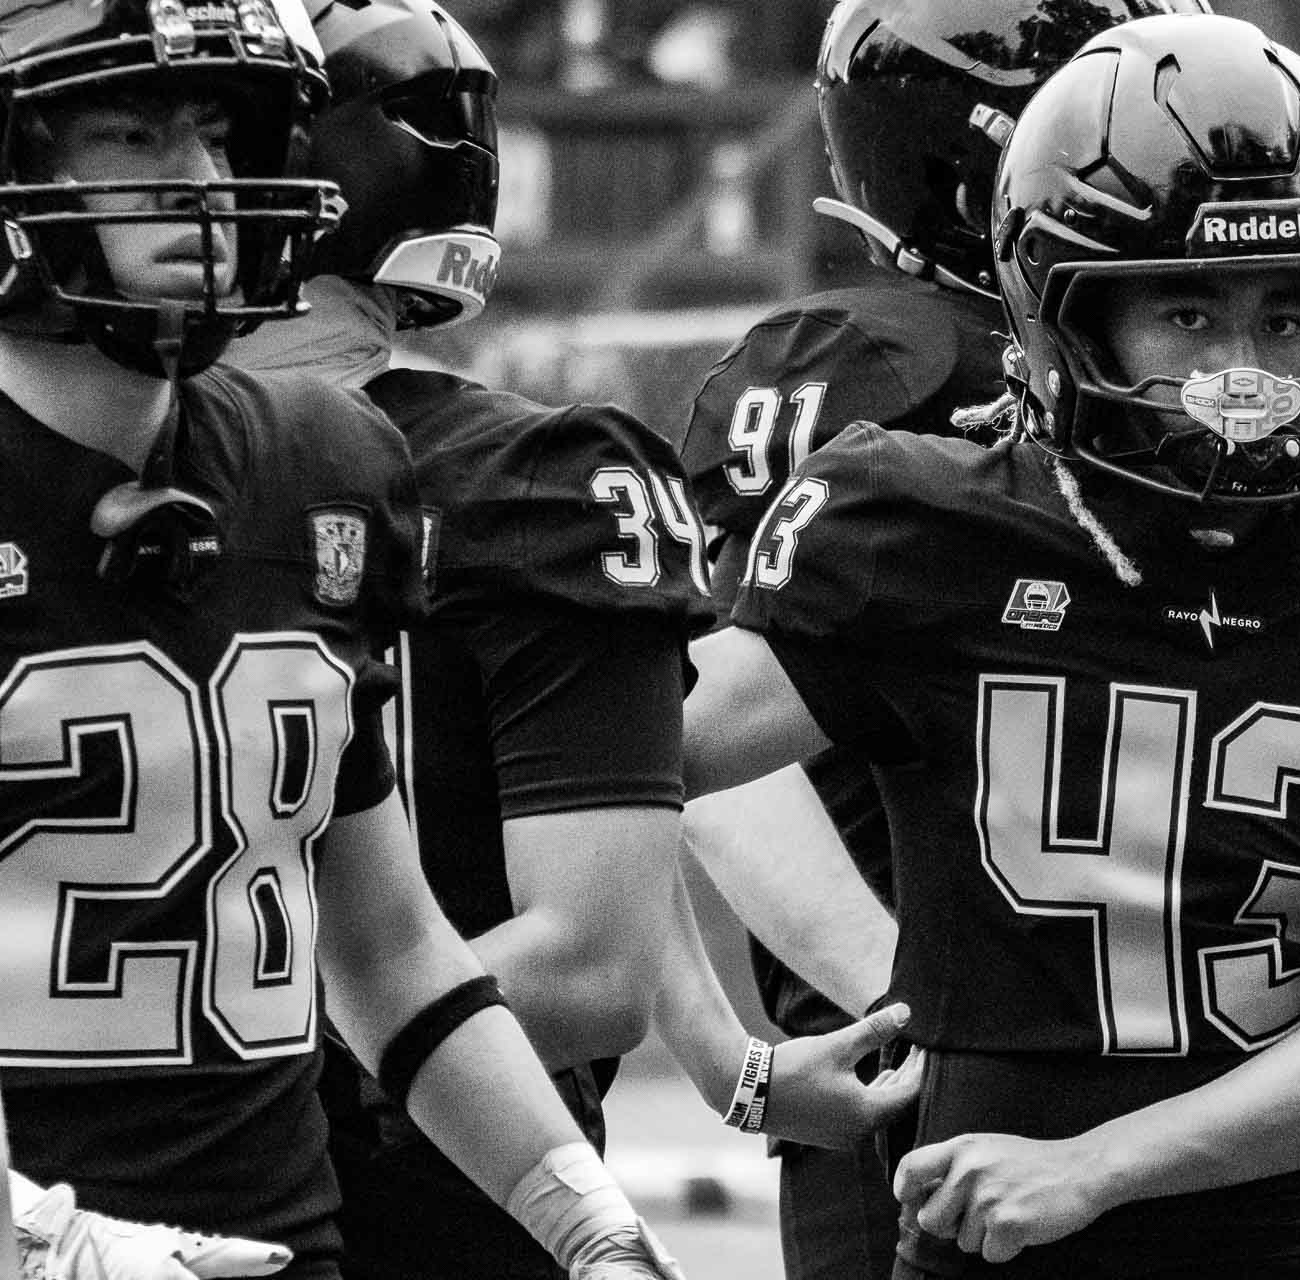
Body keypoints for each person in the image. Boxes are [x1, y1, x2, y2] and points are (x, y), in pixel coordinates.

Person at [680, 12, 1300, 1277]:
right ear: (1067, 319)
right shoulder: (921, 528)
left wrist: (1099, 1165)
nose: (1244, 374)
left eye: (1285, 317)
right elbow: (623, 767)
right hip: (977, 1231)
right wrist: (722, 1054)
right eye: (1188, 315)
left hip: (1280, 1243)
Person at [223, 4, 918, 1277]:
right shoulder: (99, 477)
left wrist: (171, 1055)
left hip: (430, 1213)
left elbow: (593, 941)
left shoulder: (528, 485)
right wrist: (727, 1058)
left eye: (192, 142)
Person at [0, 3, 685, 1277]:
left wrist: (588, 1224)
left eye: (216, 133)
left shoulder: (322, 461)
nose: (203, 183)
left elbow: (390, 952)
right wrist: (47, 1237)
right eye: (130, 135)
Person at [675, 2, 1209, 1276]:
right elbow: (700, 745)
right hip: (929, 1079)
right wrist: (908, 1005)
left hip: (1163, 1071)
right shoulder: (897, 366)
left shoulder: (1153, 377)